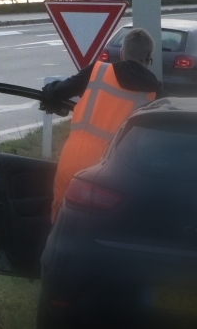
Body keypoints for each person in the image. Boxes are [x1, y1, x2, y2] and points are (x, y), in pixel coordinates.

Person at [41, 26, 163, 215]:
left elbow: (60, 90)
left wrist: (49, 92)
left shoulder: (98, 72)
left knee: (60, 228)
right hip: (111, 177)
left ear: (122, 53)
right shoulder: (156, 94)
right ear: (148, 59)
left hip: (71, 163)